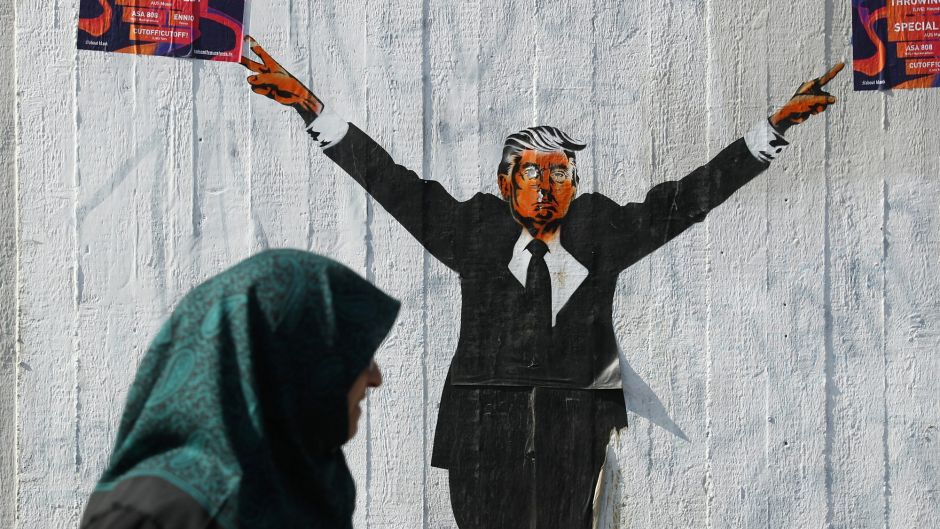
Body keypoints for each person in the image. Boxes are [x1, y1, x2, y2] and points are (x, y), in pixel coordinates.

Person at [240, 35, 842, 528]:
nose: (548, 185)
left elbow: (686, 200)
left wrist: (772, 130)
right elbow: (391, 182)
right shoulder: (473, 232)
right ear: (507, 184)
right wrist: (310, 108)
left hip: (574, 435)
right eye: (533, 172)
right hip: (481, 434)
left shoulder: (602, 231)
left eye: (561, 173)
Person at [79, 249, 400, 528]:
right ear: (292, 361)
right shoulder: (157, 514)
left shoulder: (310, 483)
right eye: (359, 356)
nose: (376, 378)